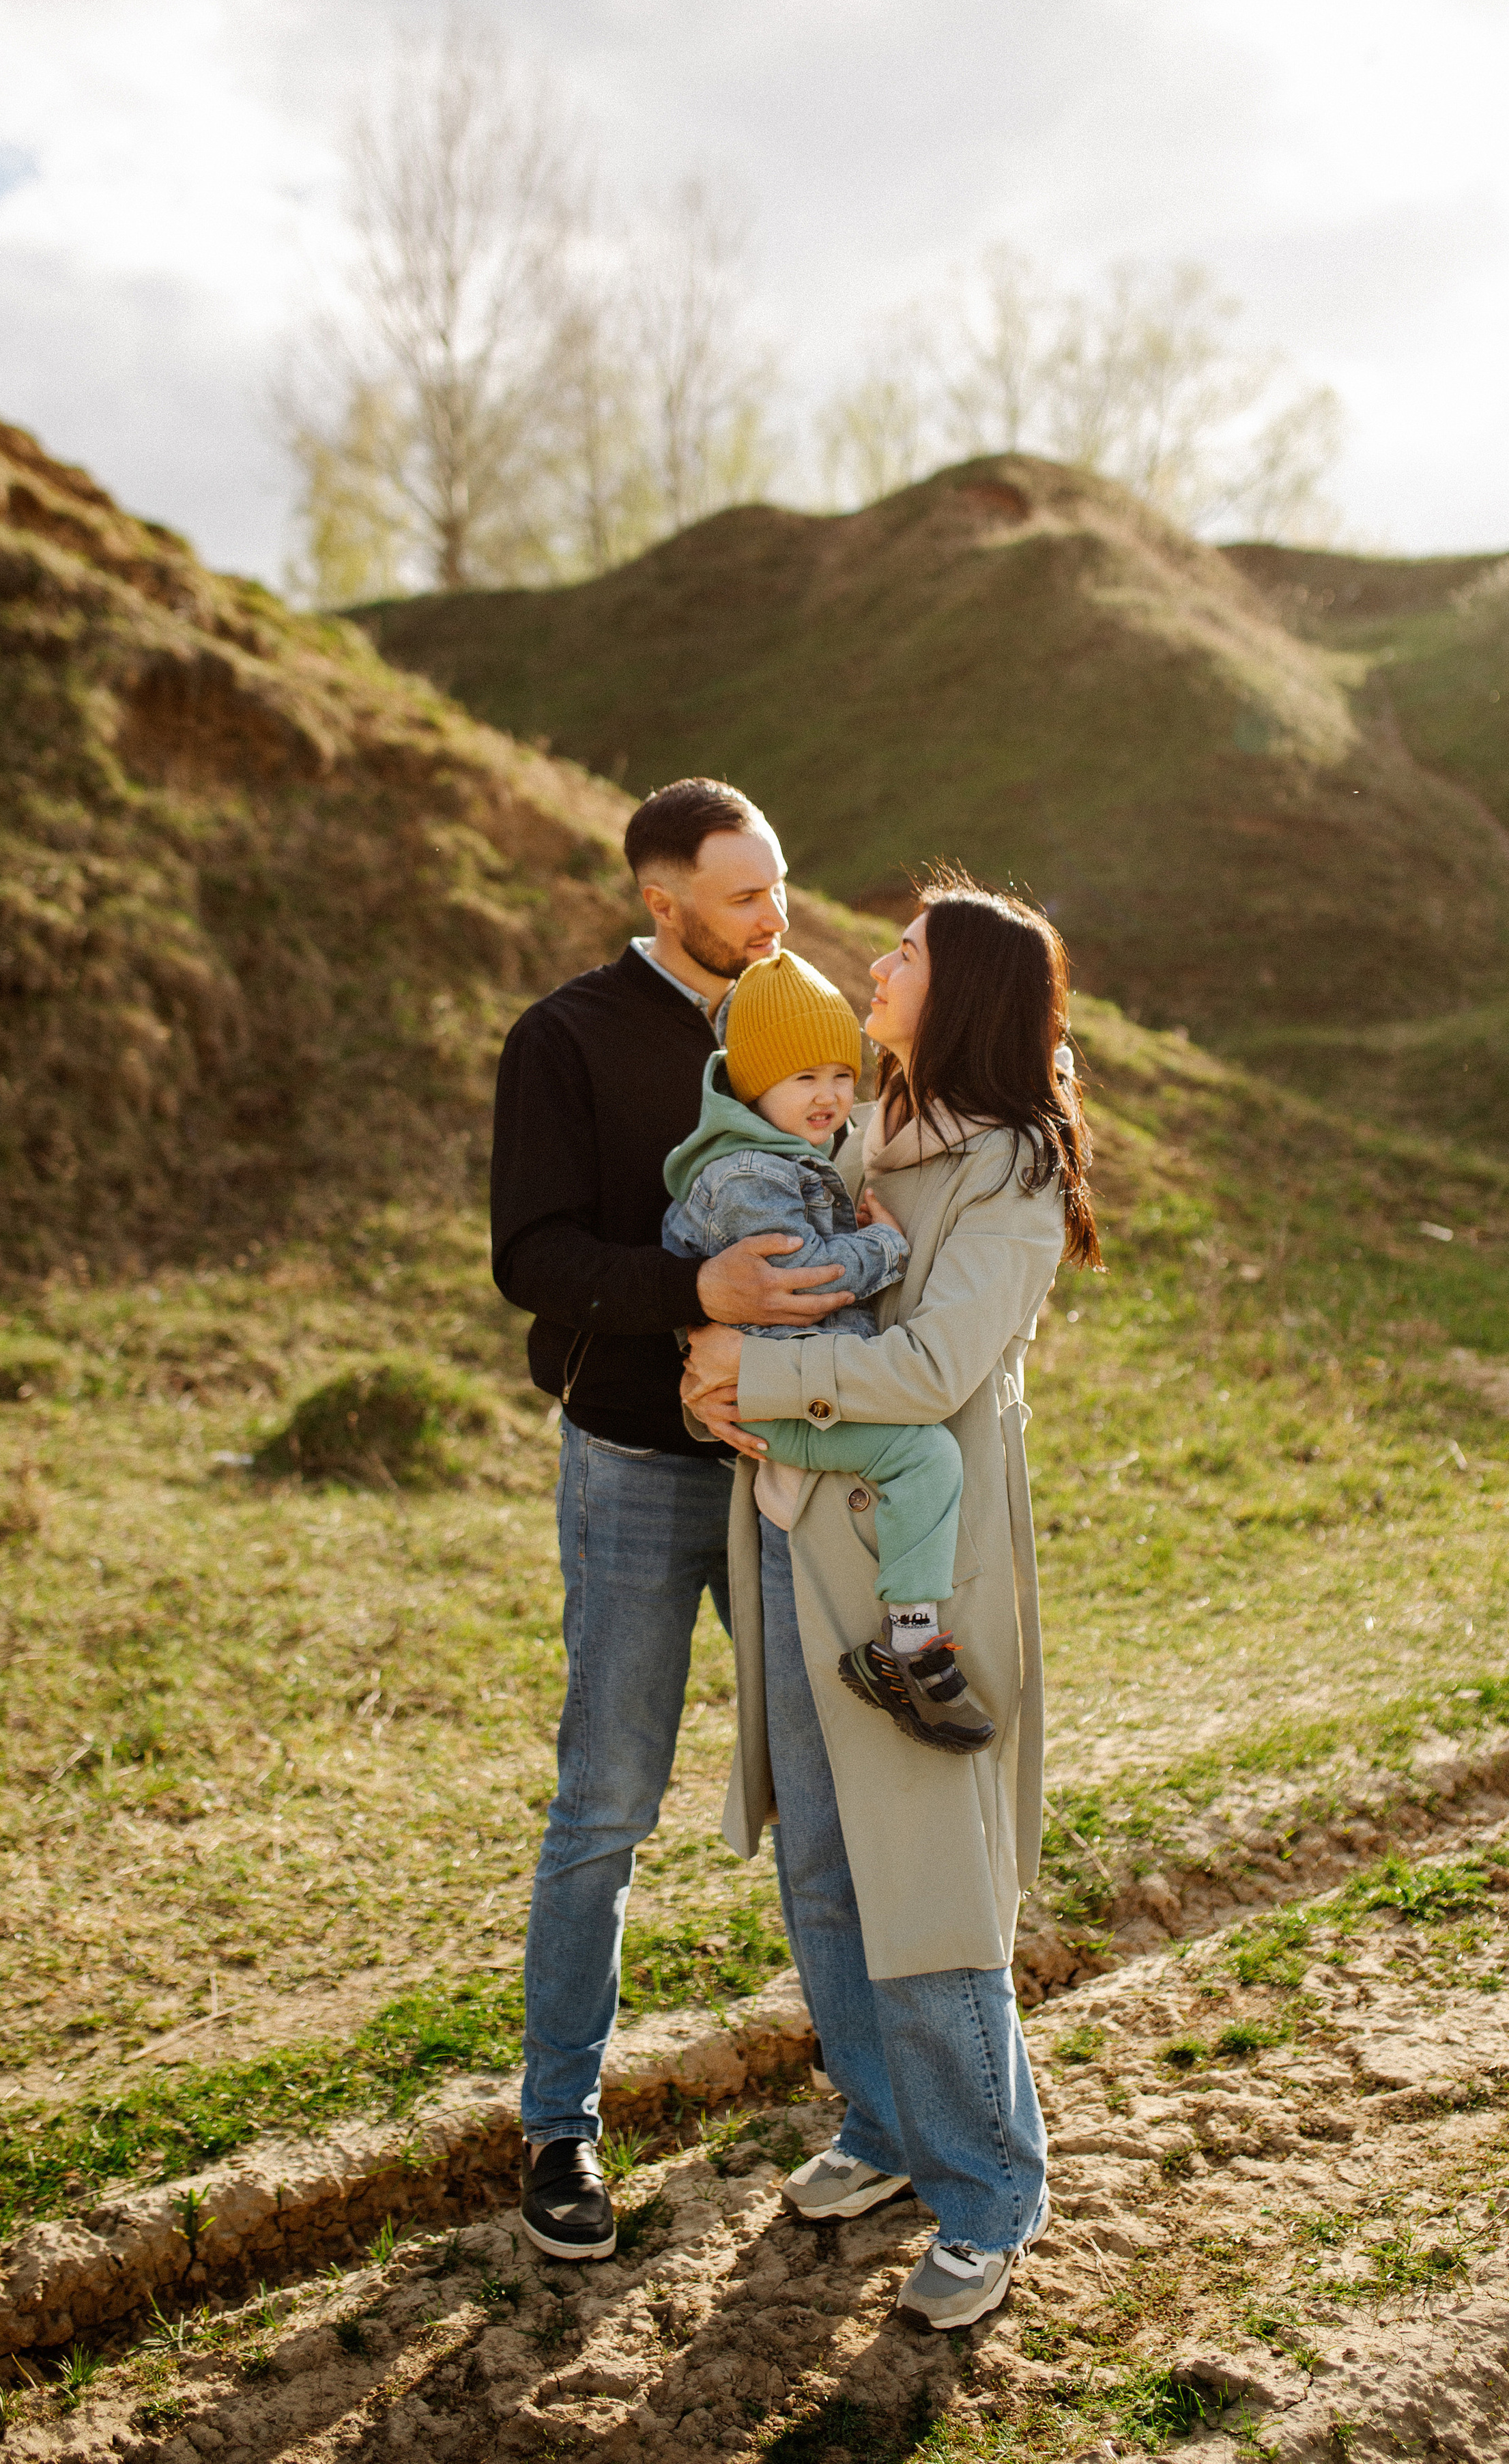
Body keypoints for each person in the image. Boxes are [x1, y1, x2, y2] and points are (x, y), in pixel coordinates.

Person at [682, 874, 1101, 2330]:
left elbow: (929, 1370)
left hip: (916, 1574)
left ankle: (987, 2193)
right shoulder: (856, 1129)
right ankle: (882, 2127)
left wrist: (758, 1375)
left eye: (905, 953)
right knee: (823, 1873)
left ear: (963, 990)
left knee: (925, 1888)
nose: (875, 963)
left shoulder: (1012, 1168)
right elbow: (777, 1288)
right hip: (796, 1543)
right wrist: (710, 1367)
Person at [490, 777, 857, 2263]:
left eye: (780, 885)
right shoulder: (565, 1038)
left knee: (832, 1792)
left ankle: (881, 2107)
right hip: (638, 1469)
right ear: (663, 901)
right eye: (744, 895)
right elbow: (532, 1256)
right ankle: (558, 2126)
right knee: (606, 1804)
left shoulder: (808, 1021)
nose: (776, 916)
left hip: (799, 1468)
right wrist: (694, 1293)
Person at [661, 947, 993, 1753]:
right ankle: (908, 1645)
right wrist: (884, 1247)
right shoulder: (747, 1175)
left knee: (919, 1459)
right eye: (803, 1077)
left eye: (841, 1075)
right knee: (924, 1458)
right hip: (776, 1395)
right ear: (753, 1084)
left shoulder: (784, 1156)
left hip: (785, 1381)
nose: (830, 1095)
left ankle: (908, 1636)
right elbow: (799, 1279)